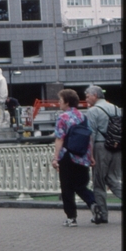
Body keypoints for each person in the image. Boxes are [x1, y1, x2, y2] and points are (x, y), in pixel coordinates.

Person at [51, 89, 96, 227]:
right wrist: (91, 156)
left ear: (67, 101)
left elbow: (60, 139)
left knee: (67, 187)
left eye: (60, 100)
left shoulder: (63, 117)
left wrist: (55, 158)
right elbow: (89, 137)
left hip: (67, 155)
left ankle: (71, 217)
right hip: (82, 156)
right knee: (80, 185)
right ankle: (93, 202)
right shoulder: (83, 116)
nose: (59, 102)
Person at [84, 85, 122, 224]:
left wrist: (90, 154)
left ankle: (102, 215)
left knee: (99, 181)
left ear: (95, 95)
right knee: (112, 178)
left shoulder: (93, 111)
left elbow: (91, 134)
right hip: (117, 147)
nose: (86, 99)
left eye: (87, 96)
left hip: (101, 147)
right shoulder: (116, 108)